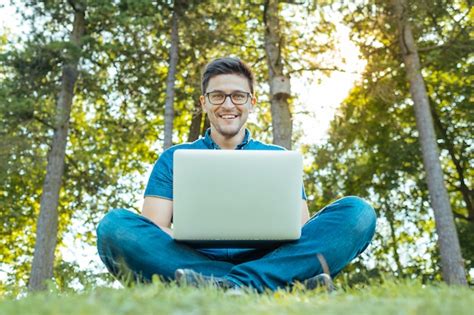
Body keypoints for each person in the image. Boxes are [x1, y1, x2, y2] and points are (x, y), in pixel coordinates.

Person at [96, 57, 376, 293]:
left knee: (358, 213)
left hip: (270, 258)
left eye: (238, 96)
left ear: (251, 102)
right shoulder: (173, 159)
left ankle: (224, 285)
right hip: (191, 260)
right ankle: (270, 283)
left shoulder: (279, 158)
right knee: (114, 226)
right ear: (204, 103)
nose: (228, 105)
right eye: (217, 96)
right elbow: (153, 227)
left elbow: (300, 231)